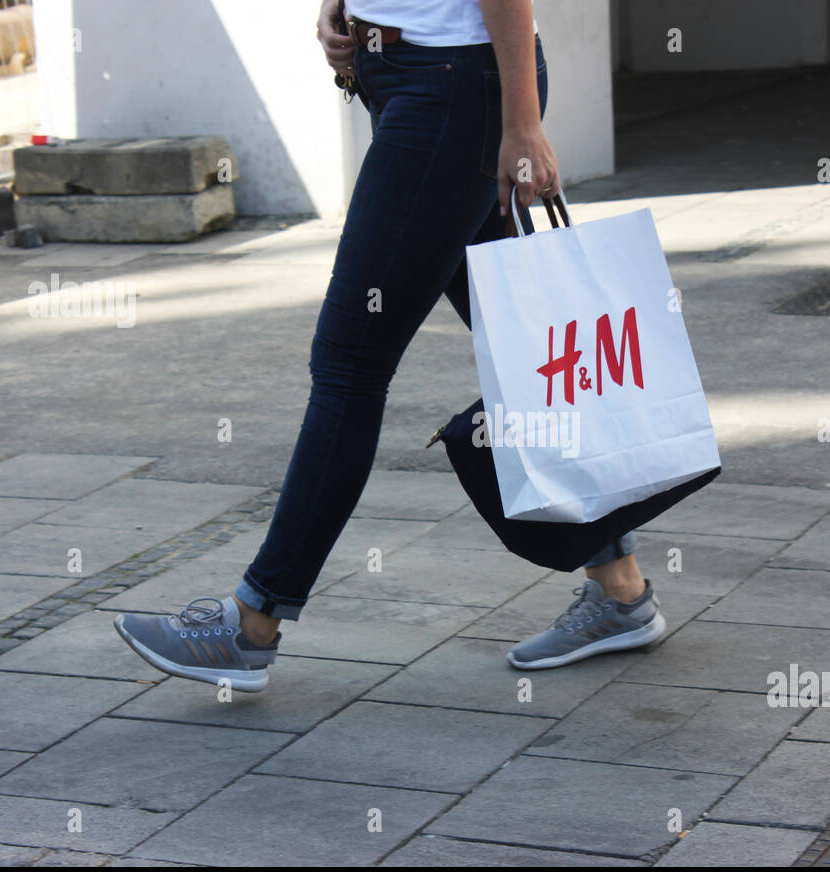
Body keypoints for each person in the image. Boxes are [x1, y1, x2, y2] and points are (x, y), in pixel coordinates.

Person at [113, 0, 665, 692]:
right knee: (526, 353)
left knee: (350, 363)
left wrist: (523, 125)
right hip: (417, 84)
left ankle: (252, 625)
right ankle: (621, 591)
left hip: (455, 92)